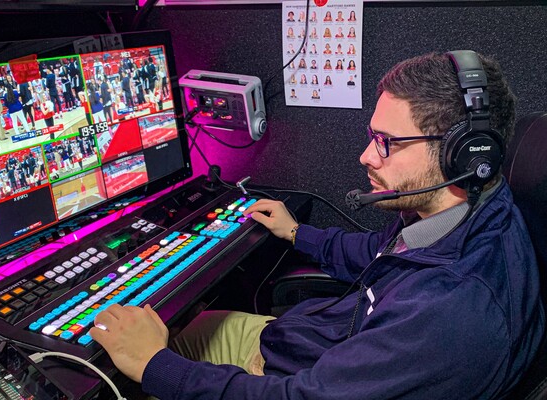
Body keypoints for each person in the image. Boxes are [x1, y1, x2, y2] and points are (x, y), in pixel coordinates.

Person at [90, 51, 544, 399]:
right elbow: (382, 255)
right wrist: (298, 233)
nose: (367, 156)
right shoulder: (469, 210)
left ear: (463, 155)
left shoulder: (448, 315)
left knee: (125, 369)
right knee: (200, 324)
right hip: (316, 343)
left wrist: (154, 366)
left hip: (297, 379)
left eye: (387, 143)